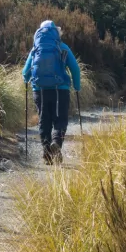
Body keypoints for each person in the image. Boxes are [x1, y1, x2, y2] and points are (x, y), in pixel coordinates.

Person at [22, 20, 81, 164]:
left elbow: (25, 72)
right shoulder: (63, 47)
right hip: (60, 90)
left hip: (40, 90)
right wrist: (77, 86)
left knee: (44, 120)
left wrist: (27, 81)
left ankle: (46, 152)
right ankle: (56, 143)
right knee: (60, 119)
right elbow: (75, 69)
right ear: (56, 33)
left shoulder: (35, 49)